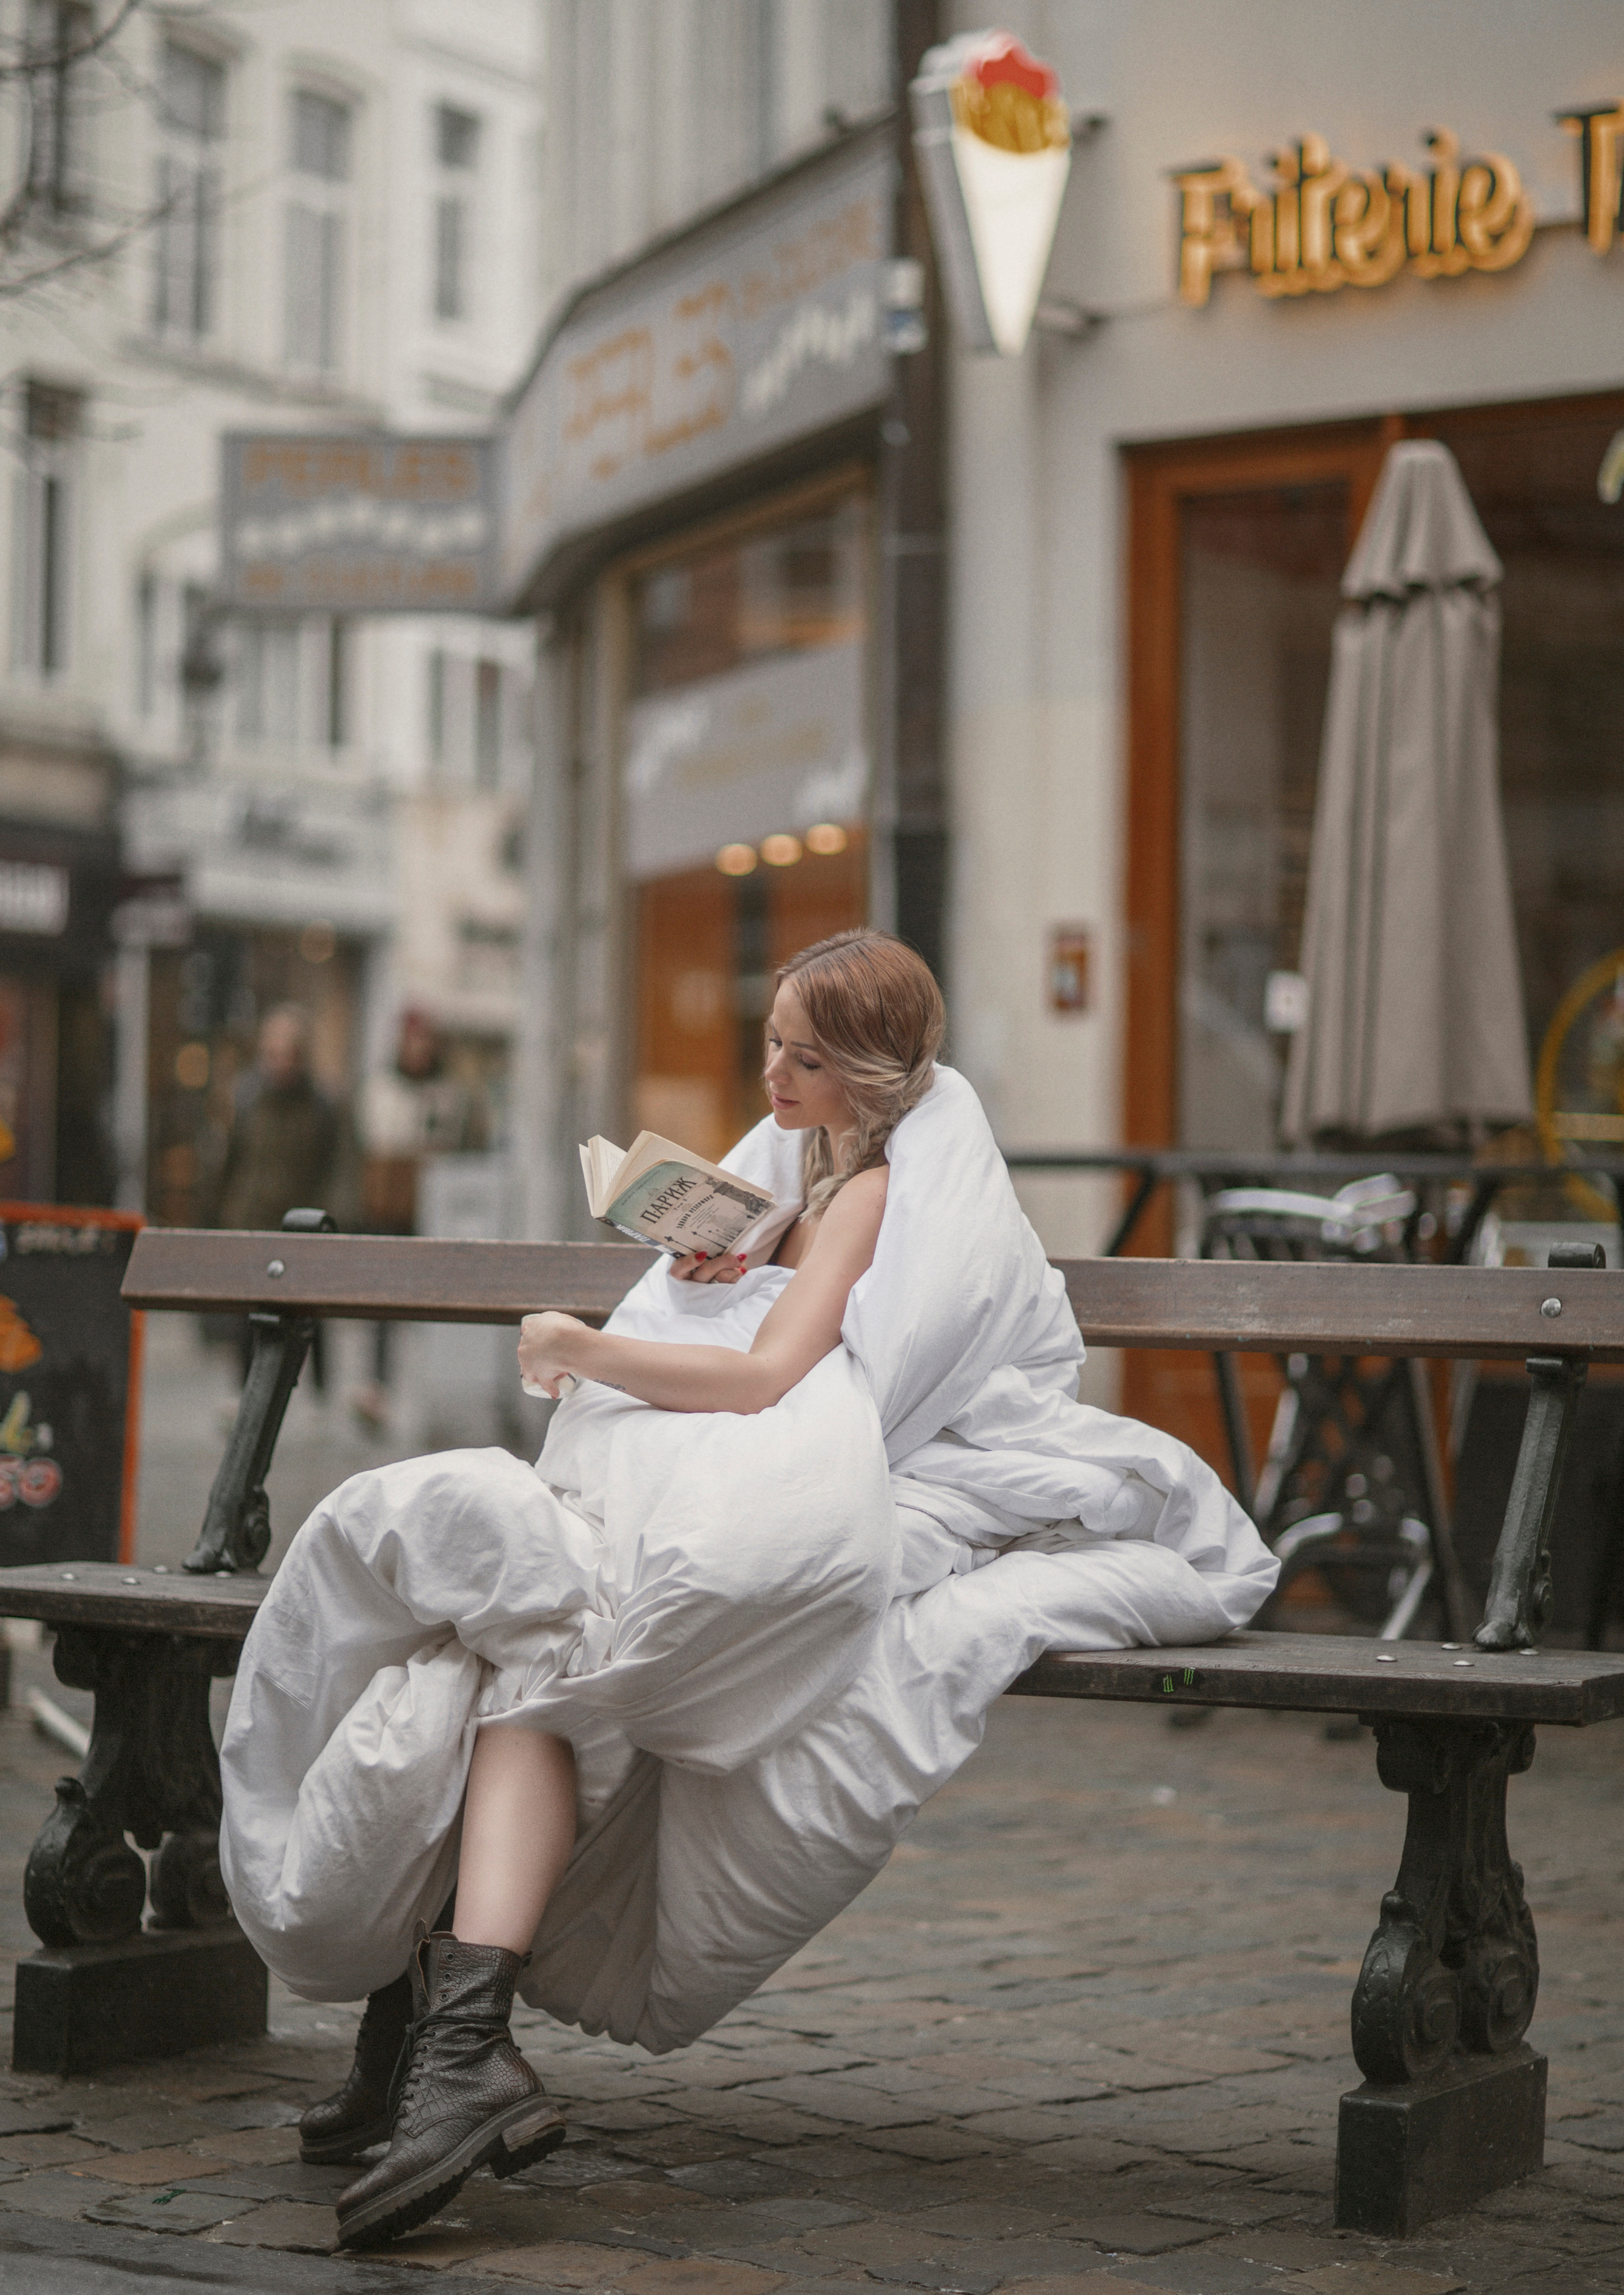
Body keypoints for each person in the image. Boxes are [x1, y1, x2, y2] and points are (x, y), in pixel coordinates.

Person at [218, 930, 1278, 2252]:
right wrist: (723, 1256)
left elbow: (774, 1375)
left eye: (804, 1053)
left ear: (872, 1072)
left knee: (542, 1653)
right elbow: (766, 1304)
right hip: (721, 1455)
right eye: (770, 1038)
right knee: (501, 1643)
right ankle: (444, 2040)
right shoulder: (810, 1166)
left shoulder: (878, 1191)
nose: (769, 1068)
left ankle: (445, 2040)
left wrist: (582, 1341)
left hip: (812, 1479)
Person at [351, 1008, 486, 1428]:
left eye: (425, 1039)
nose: (419, 1048)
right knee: (382, 1307)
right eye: (413, 1039)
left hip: (435, 1212)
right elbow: (363, 1148)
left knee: (434, 1305)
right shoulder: (379, 1087)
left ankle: (431, 1392)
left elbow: (470, 1149)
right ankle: (378, 1389)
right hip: (385, 1207)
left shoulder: (451, 1093)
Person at [212, 1004, 356, 1392]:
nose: (279, 1063)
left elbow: (339, 1166)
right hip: (251, 1219)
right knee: (248, 1314)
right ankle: (242, 1393)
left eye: (287, 1054)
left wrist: (331, 1219)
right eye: (272, 1053)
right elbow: (229, 1160)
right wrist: (218, 1211)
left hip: (302, 1223)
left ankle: (320, 1392)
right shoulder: (246, 1098)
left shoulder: (323, 1103)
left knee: (311, 1314)